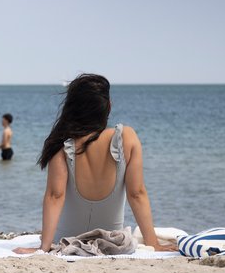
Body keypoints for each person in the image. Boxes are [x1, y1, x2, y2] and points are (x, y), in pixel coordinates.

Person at [14, 74, 174, 254]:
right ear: (108, 106)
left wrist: (43, 249)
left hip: (67, 240)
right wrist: (154, 244)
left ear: (72, 109)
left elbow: (54, 196)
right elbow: (136, 194)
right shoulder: (127, 138)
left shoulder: (61, 144)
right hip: (113, 242)